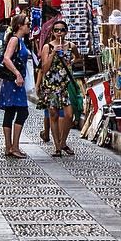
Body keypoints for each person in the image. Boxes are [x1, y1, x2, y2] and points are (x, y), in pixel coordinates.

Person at [38, 20, 81, 157]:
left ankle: (63, 142)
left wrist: (70, 62)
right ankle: (57, 147)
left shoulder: (71, 46)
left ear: (66, 32)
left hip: (65, 84)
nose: (59, 33)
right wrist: (53, 54)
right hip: (52, 85)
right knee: (54, 114)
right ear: (53, 32)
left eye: (62, 30)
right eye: (56, 30)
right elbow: (44, 68)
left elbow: (78, 57)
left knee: (69, 115)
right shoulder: (48, 47)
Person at [0, 14, 31, 158]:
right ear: (19, 26)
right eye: (27, 24)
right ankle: (14, 147)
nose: (29, 26)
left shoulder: (20, 40)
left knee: (10, 112)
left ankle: (9, 147)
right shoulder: (15, 39)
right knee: (23, 112)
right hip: (14, 82)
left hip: (14, 81)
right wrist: (17, 74)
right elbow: (6, 58)